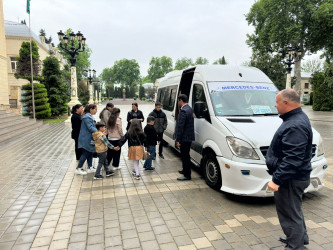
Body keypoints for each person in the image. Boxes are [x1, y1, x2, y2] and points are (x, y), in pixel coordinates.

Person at [266, 89, 312, 249]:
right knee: (294, 211)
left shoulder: (295, 125)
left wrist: (276, 179)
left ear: (286, 102)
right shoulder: (295, 119)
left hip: (290, 179)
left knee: (289, 214)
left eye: (277, 102)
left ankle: (295, 246)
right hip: (294, 177)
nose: (275, 105)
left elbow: (293, 159)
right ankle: (299, 239)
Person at [175, 94, 195, 181]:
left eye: (178, 101)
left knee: (185, 156)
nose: (178, 102)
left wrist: (178, 139)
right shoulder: (189, 109)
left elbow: (180, 126)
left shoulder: (183, 111)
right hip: (189, 137)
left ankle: (187, 175)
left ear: (181, 100)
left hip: (184, 138)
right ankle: (184, 170)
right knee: (185, 155)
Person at [76, 104, 98, 175]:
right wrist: (99, 132)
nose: (96, 111)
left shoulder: (89, 116)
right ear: (91, 109)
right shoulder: (87, 117)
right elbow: (90, 127)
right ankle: (78, 168)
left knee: (90, 152)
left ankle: (90, 167)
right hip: (86, 138)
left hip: (89, 137)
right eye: (95, 109)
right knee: (85, 153)